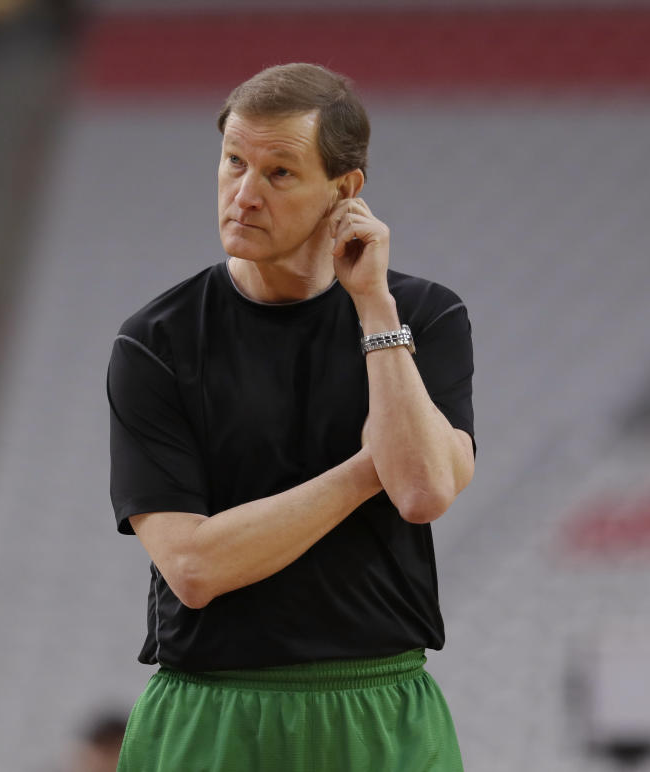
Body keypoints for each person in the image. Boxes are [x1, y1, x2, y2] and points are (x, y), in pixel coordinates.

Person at [107, 62, 475, 771]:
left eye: (279, 173)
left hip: (380, 709)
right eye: (234, 163)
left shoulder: (426, 315)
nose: (243, 195)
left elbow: (424, 492)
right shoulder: (156, 339)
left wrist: (374, 306)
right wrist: (372, 466)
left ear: (346, 191)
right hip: (210, 714)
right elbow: (193, 565)